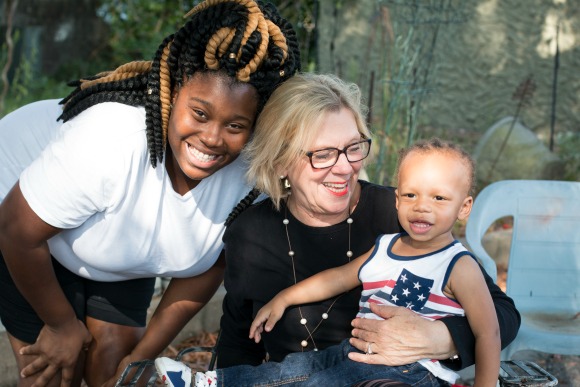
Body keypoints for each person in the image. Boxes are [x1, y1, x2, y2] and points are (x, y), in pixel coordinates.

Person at [0, 1, 300, 386]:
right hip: (25, 227)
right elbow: (16, 231)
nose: (211, 138)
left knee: (119, 373)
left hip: (117, 244)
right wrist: (60, 326)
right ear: (174, 90)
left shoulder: (253, 173)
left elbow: (210, 265)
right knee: (57, 372)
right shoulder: (110, 139)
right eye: (201, 113)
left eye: (236, 125)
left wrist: (141, 359)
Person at [153, 74, 517, 386]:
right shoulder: (251, 233)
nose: (345, 168)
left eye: (353, 148)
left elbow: (502, 316)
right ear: (281, 160)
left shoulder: (405, 217)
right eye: (323, 154)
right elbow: (240, 339)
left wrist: (443, 338)